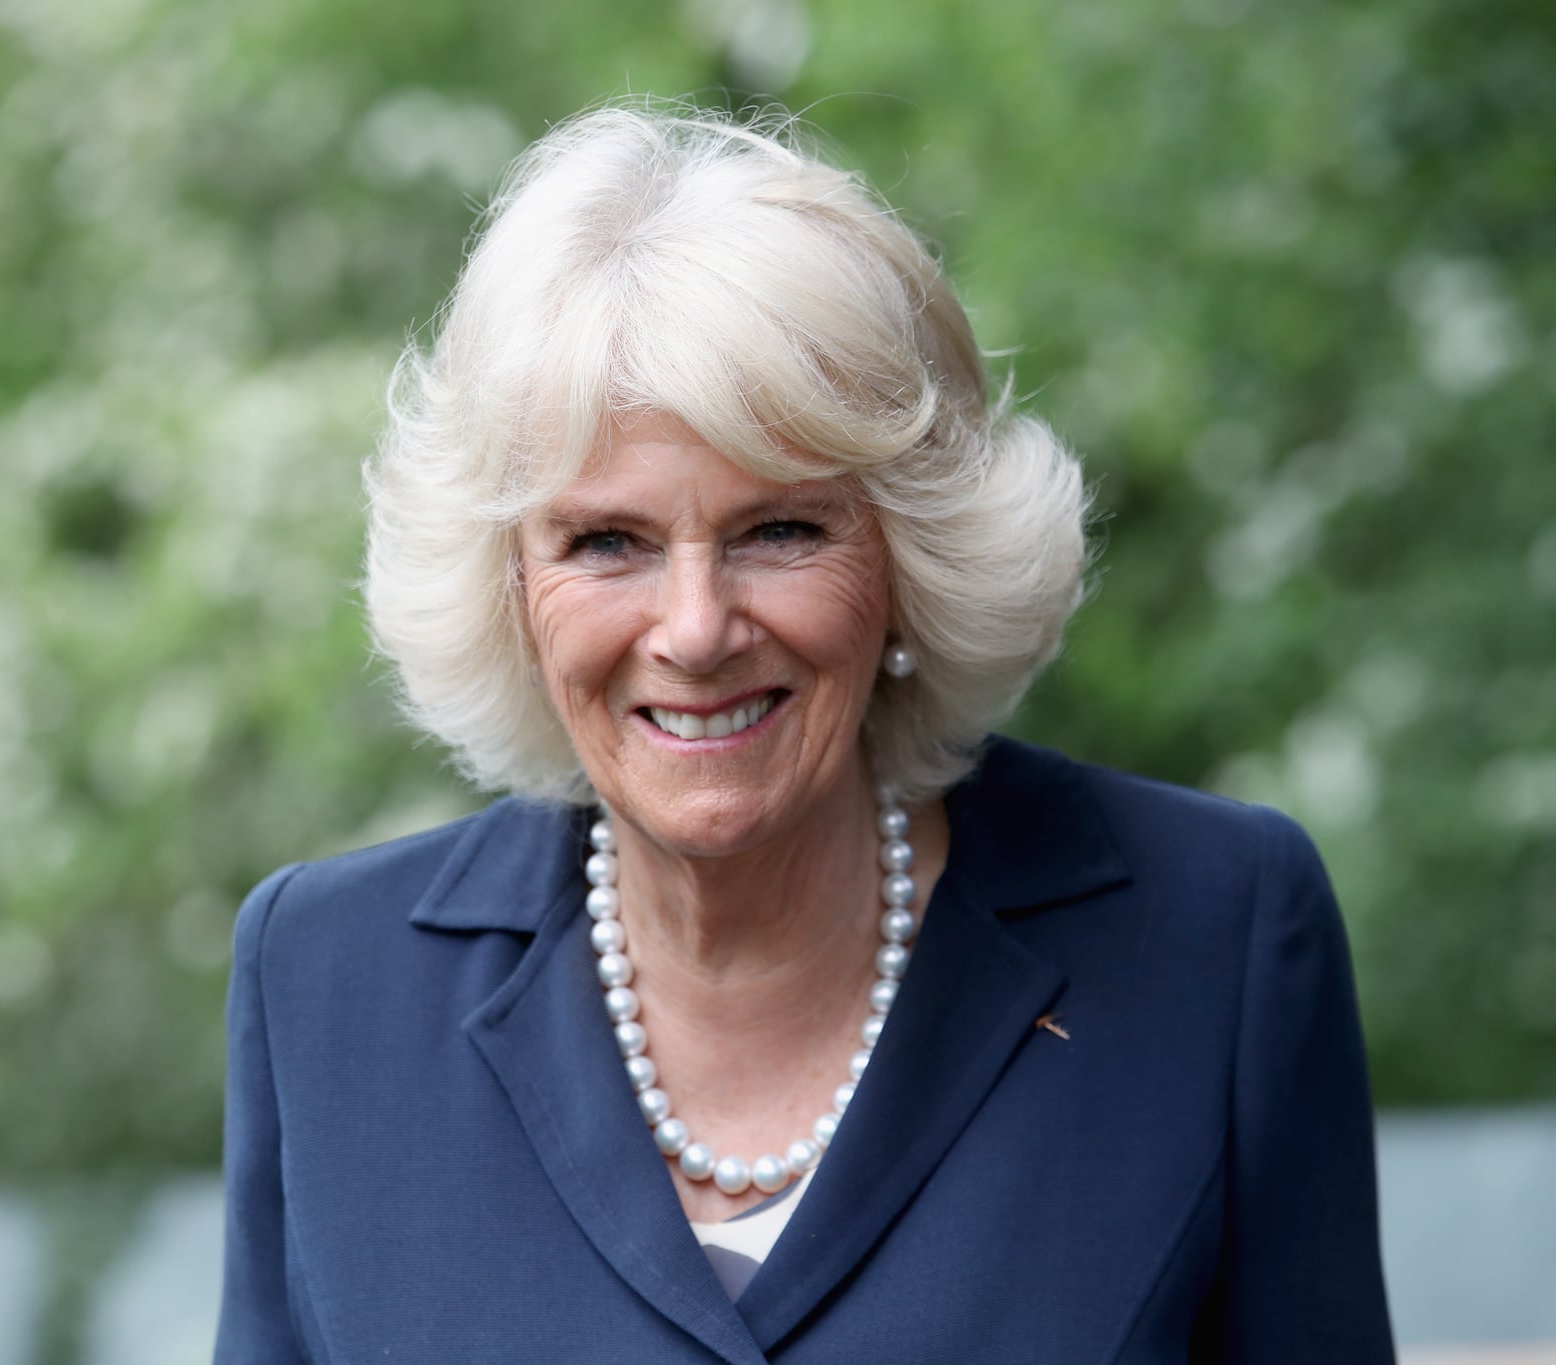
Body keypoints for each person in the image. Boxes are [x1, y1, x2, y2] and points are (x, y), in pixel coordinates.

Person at [213, 102, 1395, 1364]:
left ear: (907, 561)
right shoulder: (321, 979)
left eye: (777, 531)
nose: (694, 627)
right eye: (606, 543)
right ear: (509, 588)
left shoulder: (1214, 935)